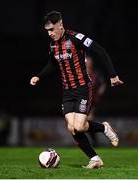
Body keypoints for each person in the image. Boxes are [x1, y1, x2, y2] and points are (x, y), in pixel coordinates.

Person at [30, 10, 124, 169]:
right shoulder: (53, 45)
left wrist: (113, 75)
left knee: (80, 126)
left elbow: (100, 50)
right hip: (67, 91)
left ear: (60, 25)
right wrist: (39, 76)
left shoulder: (76, 38)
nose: (50, 34)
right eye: (47, 31)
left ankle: (104, 128)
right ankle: (95, 159)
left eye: (52, 29)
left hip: (82, 88)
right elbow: (52, 64)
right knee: (71, 127)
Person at [85, 55, 106, 146]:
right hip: (82, 101)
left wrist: (100, 91)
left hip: (93, 102)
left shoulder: (96, 74)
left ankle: (94, 142)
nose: (88, 63)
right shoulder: (81, 74)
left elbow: (103, 84)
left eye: (89, 61)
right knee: (81, 124)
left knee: (88, 120)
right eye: (86, 61)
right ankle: (93, 141)